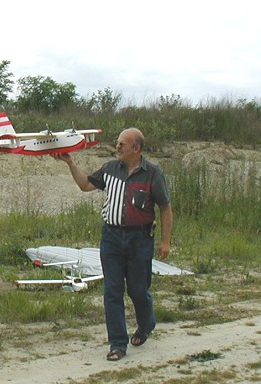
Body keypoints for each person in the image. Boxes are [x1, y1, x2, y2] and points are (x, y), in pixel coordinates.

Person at [52, 127, 173, 361]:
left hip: (140, 239)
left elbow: (165, 208)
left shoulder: (153, 174)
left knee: (138, 290)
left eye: (122, 144)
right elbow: (85, 185)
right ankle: (118, 343)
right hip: (112, 238)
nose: (117, 147)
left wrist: (165, 242)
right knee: (112, 290)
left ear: (136, 148)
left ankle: (146, 325)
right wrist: (70, 164)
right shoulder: (109, 169)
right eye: (117, 143)